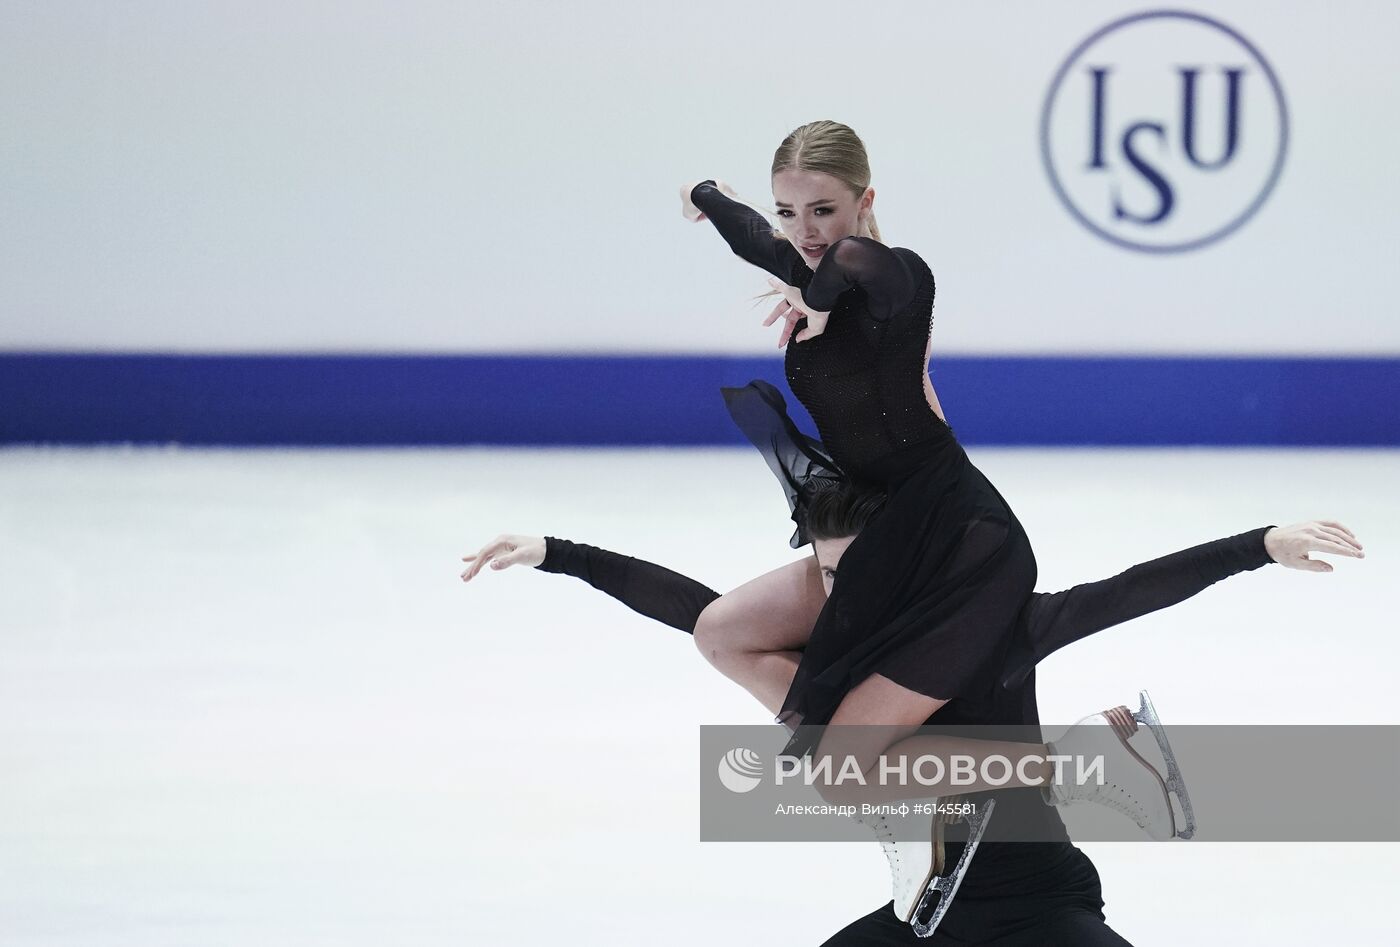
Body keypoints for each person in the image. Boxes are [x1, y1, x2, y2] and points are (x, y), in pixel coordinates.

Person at [462, 486, 1360, 943]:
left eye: (864, 572)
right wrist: (559, 553)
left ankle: (1085, 759)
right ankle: (1080, 757)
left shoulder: (998, 629)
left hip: (1034, 905)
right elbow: (701, 614)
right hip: (923, 921)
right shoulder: (833, 664)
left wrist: (1258, 546)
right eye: (830, 574)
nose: (847, 592)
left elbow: (1123, 593)